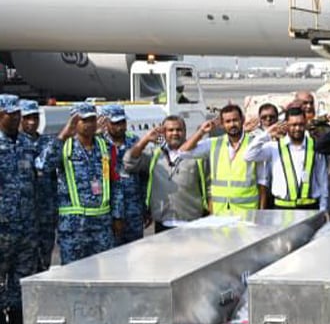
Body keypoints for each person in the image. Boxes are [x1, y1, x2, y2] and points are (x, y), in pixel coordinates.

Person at [40, 103, 123, 263]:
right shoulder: (62, 145)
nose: (89, 124)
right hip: (73, 226)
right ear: (74, 122)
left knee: (104, 273)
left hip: (102, 224)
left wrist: (118, 215)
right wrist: (64, 134)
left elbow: (115, 182)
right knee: (74, 275)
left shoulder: (105, 146)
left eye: (92, 119)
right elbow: (43, 165)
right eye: (83, 120)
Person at [0, 95, 41, 324]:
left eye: (17, 113)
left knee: (20, 278)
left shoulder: (27, 144)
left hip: (26, 224)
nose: (15, 117)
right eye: (9, 113)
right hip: (2, 226)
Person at [122, 115, 209, 231]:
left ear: (185, 132)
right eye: (170, 130)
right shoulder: (155, 155)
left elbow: (210, 187)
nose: (175, 133)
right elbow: (129, 162)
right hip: (163, 223)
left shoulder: (198, 155)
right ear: (164, 133)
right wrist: (145, 139)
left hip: (192, 222)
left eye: (179, 130)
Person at [180, 104, 261, 217]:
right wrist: (201, 132)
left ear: (242, 120)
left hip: (246, 212)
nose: (232, 124)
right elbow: (183, 153)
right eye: (227, 121)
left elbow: (262, 183)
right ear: (222, 125)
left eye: (235, 120)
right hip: (221, 213)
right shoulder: (214, 143)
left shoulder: (253, 144)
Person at [244, 105, 329, 212]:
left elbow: (323, 181)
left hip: (310, 207)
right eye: (293, 125)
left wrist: (323, 209)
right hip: (282, 208)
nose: (297, 128)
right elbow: (248, 155)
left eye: (301, 124)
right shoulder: (275, 147)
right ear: (286, 125)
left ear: (306, 123)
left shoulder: (315, 146)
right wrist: (267, 134)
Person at [18, 99, 56, 268]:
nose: (32, 122)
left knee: (45, 259)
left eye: (35, 117)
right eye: (27, 118)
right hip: (21, 217)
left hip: (46, 213)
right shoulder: (14, 144)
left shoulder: (47, 143)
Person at [102, 105, 147, 244]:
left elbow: (144, 175)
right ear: (105, 123)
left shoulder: (134, 141)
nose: (120, 127)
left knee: (135, 252)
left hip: (133, 209)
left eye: (122, 122)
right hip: (108, 211)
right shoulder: (100, 143)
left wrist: (146, 206)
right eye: (115, 123)